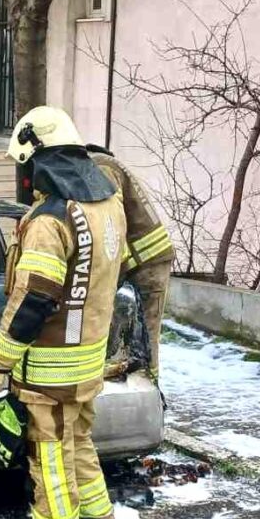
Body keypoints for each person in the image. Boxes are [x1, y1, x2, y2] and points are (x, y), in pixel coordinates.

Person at [0, 106, 127, 519]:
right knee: (78, 442)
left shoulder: (50, 220)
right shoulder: (107, 205)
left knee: (49, 457)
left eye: (23, 166)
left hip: (48, 369)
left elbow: (34, 300)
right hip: (87, 361)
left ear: (37, 159)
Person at [87, 145, 175, 378]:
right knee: (137, 333)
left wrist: (108, 276)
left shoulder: (101, 168)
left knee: (146, 334)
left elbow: (112, 224)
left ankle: (150, 391)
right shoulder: (106, 164)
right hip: (143, 261)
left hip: (147, 264)